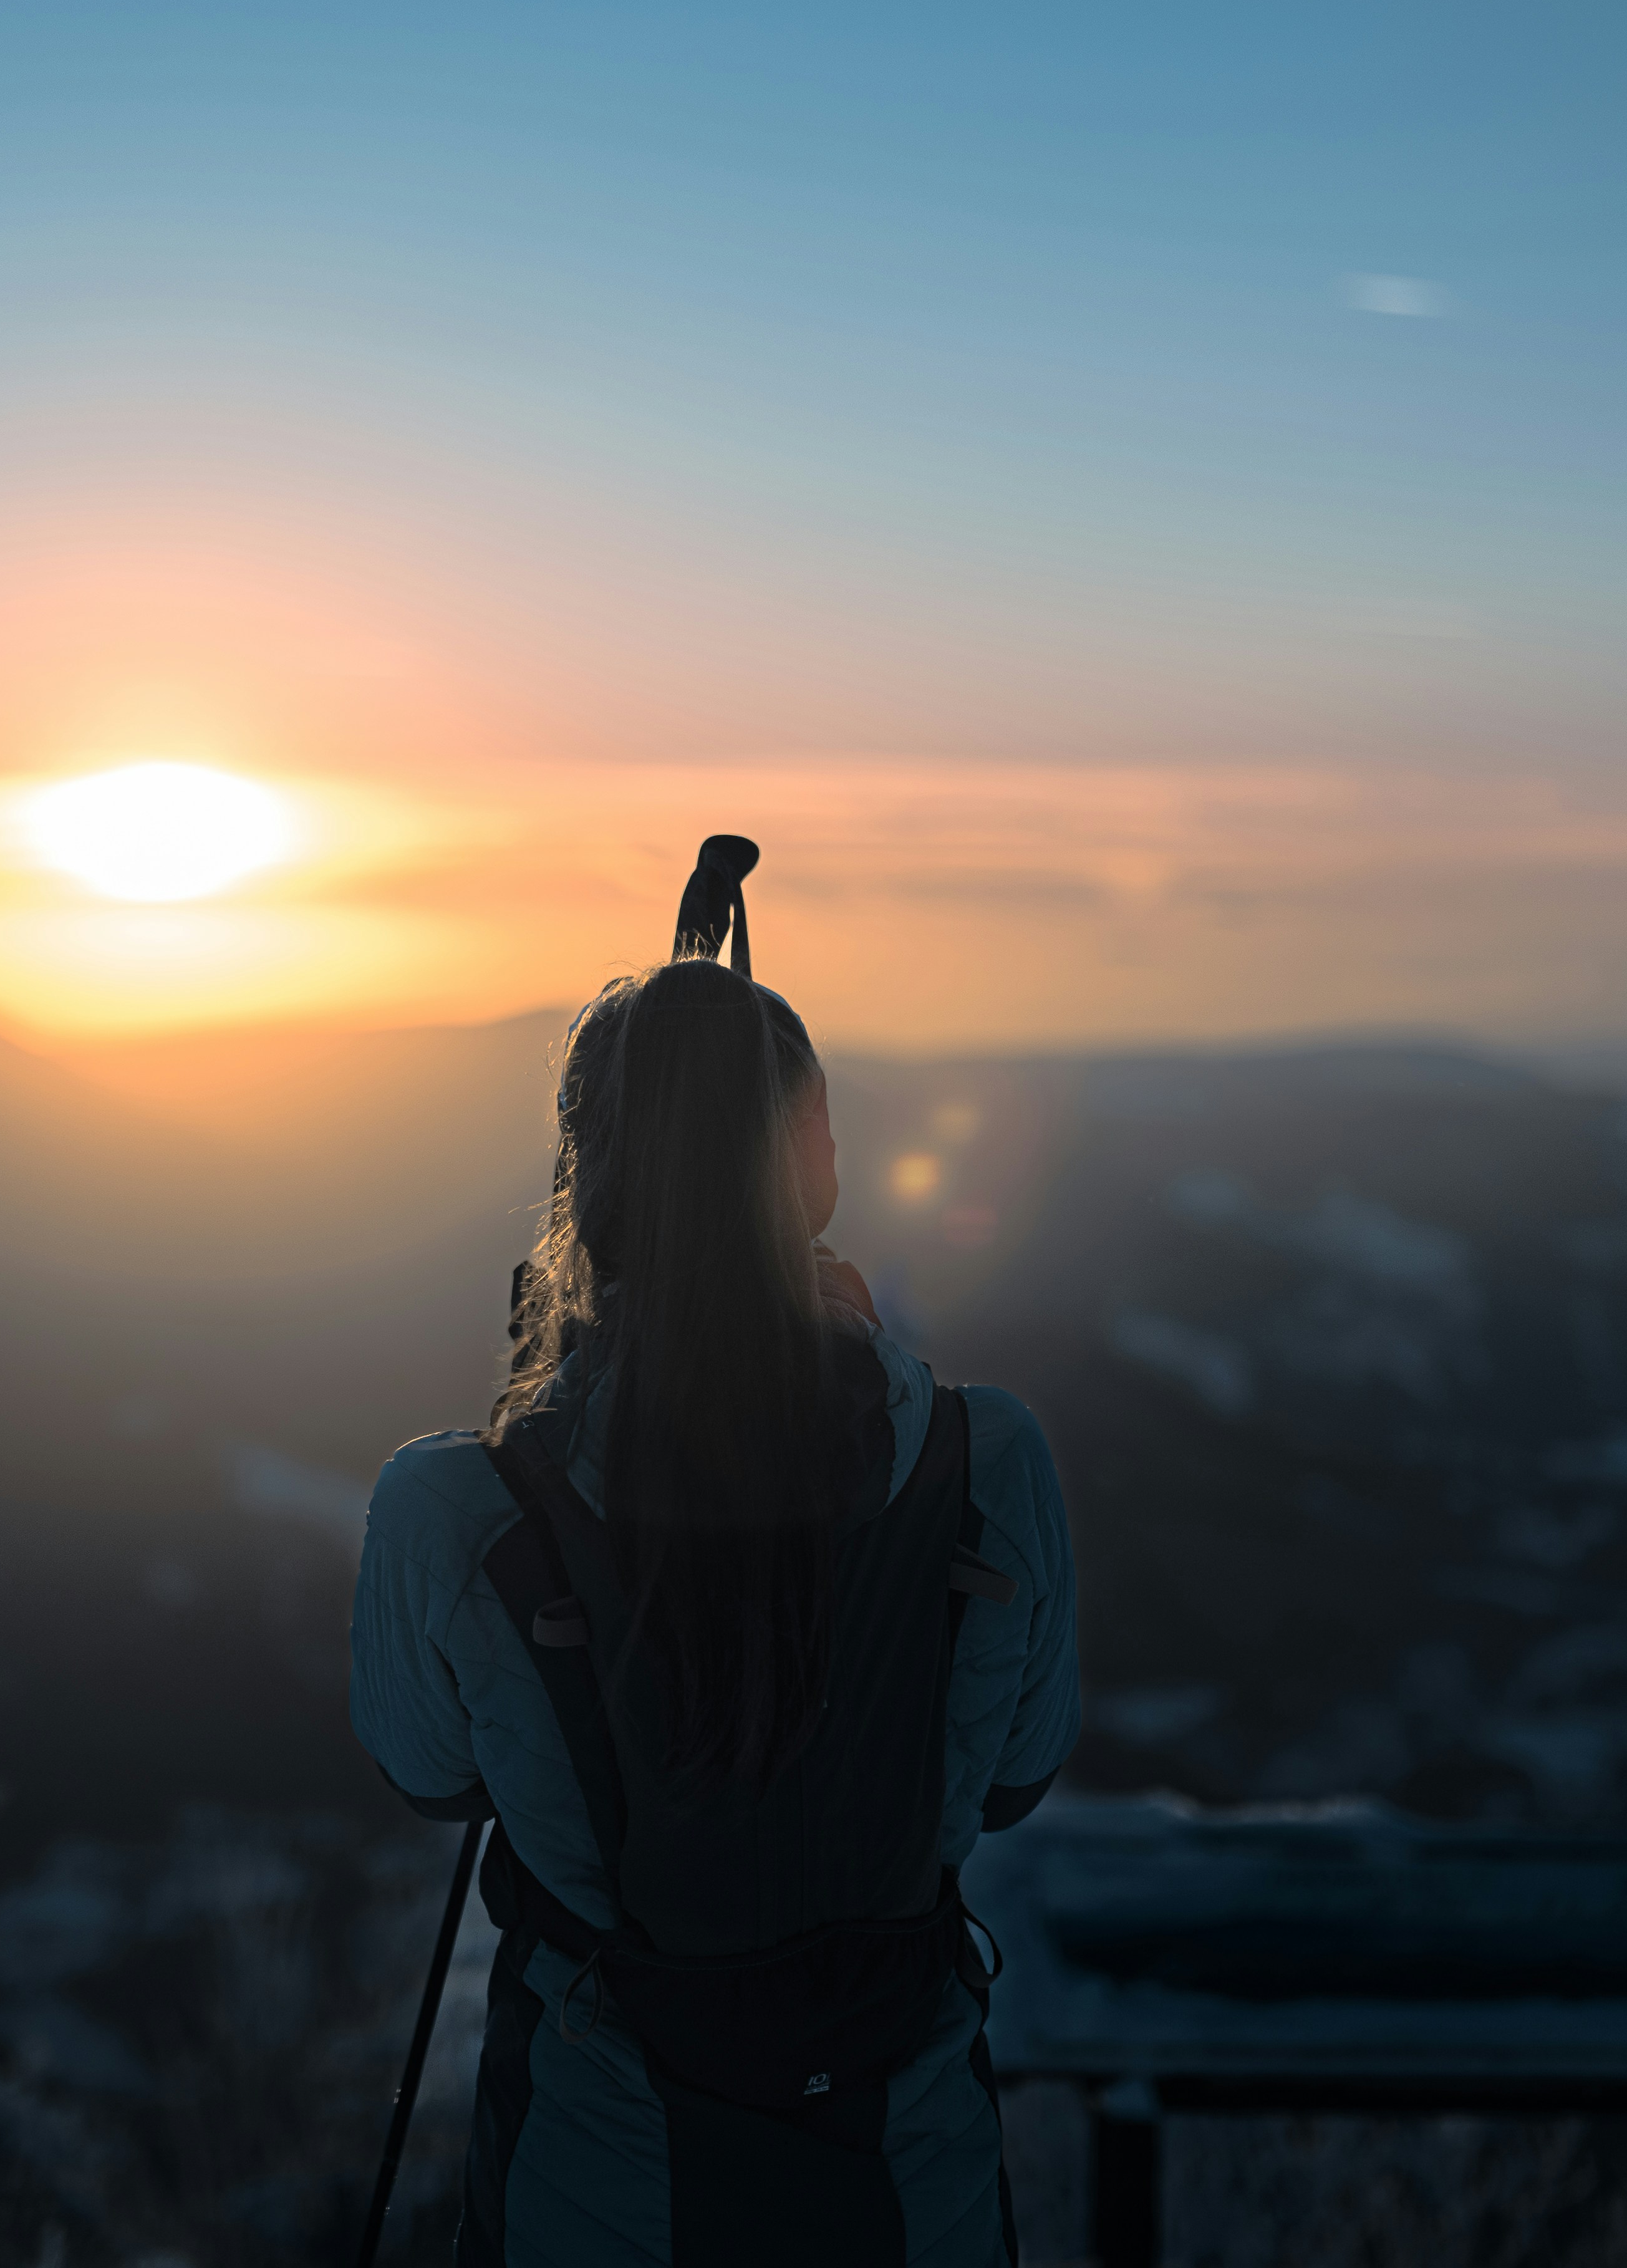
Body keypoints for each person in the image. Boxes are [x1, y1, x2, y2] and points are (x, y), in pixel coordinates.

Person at [349, 837, 1081, 2267]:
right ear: (815, 1167)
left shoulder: (457, 1510)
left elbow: (429, 1774)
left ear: (587, 1181)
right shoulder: (990, 1466)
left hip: (598, 2184)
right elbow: (1013, 1779)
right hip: (909, 2179)